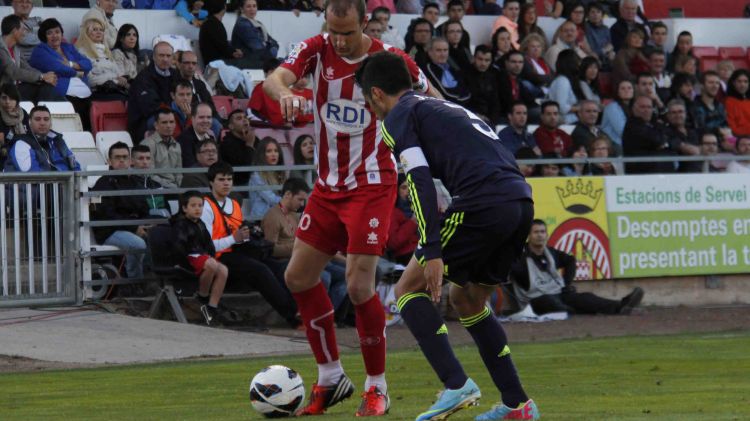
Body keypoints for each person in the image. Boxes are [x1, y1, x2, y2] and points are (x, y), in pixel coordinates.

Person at [262, 0, 437, 415]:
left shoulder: (391, 60)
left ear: (365, 23)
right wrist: (286, 92)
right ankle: (331, 376)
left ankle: (377, 386)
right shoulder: (316, 48)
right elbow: (275, 79)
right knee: (298, 277)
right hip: (328, 186)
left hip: (372, 184)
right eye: (333, 31)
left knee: (359, 286)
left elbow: (432, 99)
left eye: (347, 33)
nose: (339, 41)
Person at [356, 50, 539, 421]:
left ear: (376, 94)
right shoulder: (444, 107)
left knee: (407, 290)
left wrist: (432, 247)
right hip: (520, 202)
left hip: (483, 203)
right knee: (468, 300)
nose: (370, 108)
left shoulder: (398, 117)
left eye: (366, 99)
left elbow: (419, 180)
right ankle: (517, 405)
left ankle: (455, 383)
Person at [200, 161, 300, 326]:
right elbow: (208, 246)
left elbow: (239, 233)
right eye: (221, 179)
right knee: (259, 270)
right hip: (219, 256)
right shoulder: (206, 207)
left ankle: (301, 308)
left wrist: (250, 233)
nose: (226, 183)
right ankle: (292, 316)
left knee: (277, 266)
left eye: (229, 179)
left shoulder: (233, 203)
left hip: (238, 250)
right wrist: (235, 238)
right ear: (211, 182)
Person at [510, 220, 644, 316]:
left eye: (542, 232)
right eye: (536, 232)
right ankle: (579, 312)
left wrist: (566, 283)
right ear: (528, 236)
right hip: (537, 298)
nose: (540, 235)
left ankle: (621, 306)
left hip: (558, 293)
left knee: (586, 298)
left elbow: (570, 260)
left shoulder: (551, 253)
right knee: (552, 304)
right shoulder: (520, 256)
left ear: (547, 235)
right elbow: (515, 272)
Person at [91, 142, 152, 280]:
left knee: (158, 236)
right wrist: (134, 227)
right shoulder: (103, 183)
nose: (121, 160)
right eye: (117, 157)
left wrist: (147, 225)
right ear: (109, 161)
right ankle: (134, 282)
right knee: (138, 244)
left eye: (125, 157)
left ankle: (152, 280)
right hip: (109, 231)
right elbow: (106, 215)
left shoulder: (135, 182)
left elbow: (144, 208)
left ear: (130, 161)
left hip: (133, 227)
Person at [172, 190, 229, 325]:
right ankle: (203, 296)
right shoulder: (180, 224)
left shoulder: (201, 224)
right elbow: (180, 247)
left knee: (223, 270)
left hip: (202, 256)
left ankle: (212, 306)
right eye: (193, 206)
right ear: (184, 208)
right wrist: (185, 263)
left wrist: (211, 255)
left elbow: (208, 244)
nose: (198, 209)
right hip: (189, 257)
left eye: (200, 205)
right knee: (211, 265)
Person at [28, 18, 93, 125]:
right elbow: (57, 67)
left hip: (87, 96)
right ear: (44, 36)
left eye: (57, 32)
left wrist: (71, 64)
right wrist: (78, 72)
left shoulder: (68, 47)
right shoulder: (39, 51)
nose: (54, 36)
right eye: (49, 33)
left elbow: (88, 64)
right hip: (64, 96)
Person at [0, 15, 59, 104]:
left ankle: (44, 113)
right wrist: (41, 77)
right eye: (23, 29)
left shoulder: (15, 49)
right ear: (14, 31)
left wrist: (44, 76)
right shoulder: (1, 48)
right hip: (4, 92)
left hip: (15, 89)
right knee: (45, 87)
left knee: (46, 85)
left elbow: (27, 68)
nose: (24, 33)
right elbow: (13, 72)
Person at [128, 42, 178, 144]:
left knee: (210, 122)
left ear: (172, 58)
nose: (165, 59)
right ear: (154, 57)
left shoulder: (176, 75)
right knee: (169, 122)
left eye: (168, 56)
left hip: (172, 113)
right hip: (145, 120)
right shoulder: (143, 77)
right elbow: (149, 106)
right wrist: (175, 110)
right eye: (161, 55)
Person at [6, 105, 80, 172]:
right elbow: (32, 174)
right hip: (44, 185)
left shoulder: (58, 140)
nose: (42, 123)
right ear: (30, 122)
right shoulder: (21, 143)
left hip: (66, 184)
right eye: (37, 119)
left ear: (50, 122)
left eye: (46, 119)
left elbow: (74, 165)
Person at [75, 18, 129, 101]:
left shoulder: (107, 51)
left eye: (101, 30)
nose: (99, 32)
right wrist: (114, 80)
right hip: (97, 91)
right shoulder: (81, 52)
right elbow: (89, 79)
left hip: (115, 89)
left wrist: (122, 79)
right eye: (94, 29)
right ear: (87, 33)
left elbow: (118, 73)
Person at [622, 95, 676, 174]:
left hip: (662, 174)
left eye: (649, 107)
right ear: (634, 109)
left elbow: (671, 135)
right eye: (642, 107)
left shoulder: (654, 123)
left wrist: (665, 142)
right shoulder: (632, 125)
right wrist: (664, 142)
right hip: (641, 174)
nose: (646, 110)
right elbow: (656, 140)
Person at [261, 177, 310, 260]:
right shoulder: (272, 217)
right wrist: (299, 247)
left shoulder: (294, 214)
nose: (302, 204)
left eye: (303, 201)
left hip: (300, 258)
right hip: (286, 263)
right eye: (300, 199)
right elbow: (270, 250)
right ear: (288, 194)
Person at [423, 37, 471, 107]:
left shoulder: (453, 69)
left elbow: (466, 92)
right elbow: (444, 94)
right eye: (438, 50)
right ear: (430, 52)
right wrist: (460, 99)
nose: (443, 54)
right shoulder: (427, 70)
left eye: (445, 50)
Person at [141, 108, 183, 187]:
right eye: (164, 122)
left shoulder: (177, 145)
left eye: (171, 122)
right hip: (156, 188)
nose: (168, 126)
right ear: (156, 125)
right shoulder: (147, 145)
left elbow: (179, 173)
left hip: (175, 189)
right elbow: (150, 174)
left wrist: (180, 188)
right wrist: (171, 186)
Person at [232, 0, 278, 69]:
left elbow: (274, 43)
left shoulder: (257, 23)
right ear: (242, 9)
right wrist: (271, 49)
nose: (252, 9)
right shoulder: (242, 24)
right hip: (247, 63)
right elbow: (258, 47)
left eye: (254, 6)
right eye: (248, 6)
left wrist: (271, 48)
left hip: (259, 60)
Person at [249, 136, 286, 221]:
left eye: (276, 151)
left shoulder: (279, 172)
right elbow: (271, 199)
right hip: (260, 219)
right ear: (262, 154)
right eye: (269, 151)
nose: (273, 154)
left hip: (277, 216)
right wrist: (289, 202)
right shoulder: (256, 175)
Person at [200, 0, 244, 66]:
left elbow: (222, 45)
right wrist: (234, 52)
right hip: (217, 64)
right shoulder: (213, 24)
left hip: (217, 61)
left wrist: (234, 50)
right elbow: (223, 47)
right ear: (224, 7)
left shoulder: (211, 22)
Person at [386, 174, 418, 266]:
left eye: (411, 187)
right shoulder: (393, 212)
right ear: (396, 191)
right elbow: (393, 243)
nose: (408, 191)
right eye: (404, 188)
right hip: (407, 254)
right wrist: (412, 222)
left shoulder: (418, 207)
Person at [662, 99, 701, 173]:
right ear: (668, 115)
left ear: (685, 114)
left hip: (700, 171)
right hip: (680, 174)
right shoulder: (665, 132)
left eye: (680, 112)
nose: (677, 115)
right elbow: (691, 151)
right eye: (673, 112)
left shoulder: (693, 131)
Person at [498, 51, 539, 121]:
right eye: (514, 62)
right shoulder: (499, 79)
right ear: (506, 63)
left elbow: (529, 100)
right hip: (505, 115)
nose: (517, 65)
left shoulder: (519, 81)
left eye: (520, 62)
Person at [467, 45, 501, 126]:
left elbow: (495, 102)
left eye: (487, 60)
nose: (483, 63)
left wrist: (492, 120)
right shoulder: (464, 75)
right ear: (474, 58)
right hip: (470, 117)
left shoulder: (492, 76)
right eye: (480, 59)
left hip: (489, 119)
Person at [220, 109, 256, 185]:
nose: (244, 120)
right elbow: (245, 171)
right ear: (231, 126)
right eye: (239, 118)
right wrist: (249, 145)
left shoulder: (254, 138)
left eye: (245, 117)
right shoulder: (227, 144)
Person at [547, 50, 584, 124]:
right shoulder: (562, 81)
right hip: (567, 122)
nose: (579, 64)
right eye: (577, 61)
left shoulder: (566, 80)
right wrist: (582, 108)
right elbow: (561, 107)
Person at [692, 71, 731, 137]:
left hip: (723, 140)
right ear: (702, 86)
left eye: (717, 83)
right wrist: (718, 131)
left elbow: (725, 124)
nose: (715, 86)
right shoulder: (694, 106)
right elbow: (699, 128)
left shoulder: (720, 106)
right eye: (710, 83)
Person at [177, 103, 216, 168]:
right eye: (201, 117)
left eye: (209, 117)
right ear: (192, 119)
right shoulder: (184, 139)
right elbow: (190, 167)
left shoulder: (211, 138)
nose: (205, 120)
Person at [0, 83, 30, 167]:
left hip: (25, 153)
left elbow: (30, 136)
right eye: (4, 98)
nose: (7, 102)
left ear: (17, 100)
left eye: (11, 98)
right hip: (5, 157)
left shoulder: (23, 114)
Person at [601, 79, 634, 154]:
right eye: (623, 88)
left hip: (628, 144)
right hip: (614, 145)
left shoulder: (634, 107)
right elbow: (622, 131)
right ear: (618, 92)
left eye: (629, 88)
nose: (626, 90)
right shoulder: (612, 107)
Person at [585, 2, 614, 69]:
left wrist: (610, 52)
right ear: (588, 15)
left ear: (602, 14)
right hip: (592, 60)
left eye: (598, 12)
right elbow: (592, 50)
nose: (596, 15)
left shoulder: (606, 29)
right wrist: (604, 50)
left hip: (606, 60)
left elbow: (610, 46)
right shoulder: (586, 28)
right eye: (592, 12)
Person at [726, 69, 750, 136]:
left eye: (746, 82)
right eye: (739, 81)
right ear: (733, 83)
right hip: (739, 139)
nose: (742, 85)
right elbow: (732, 129)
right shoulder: (728, 102)